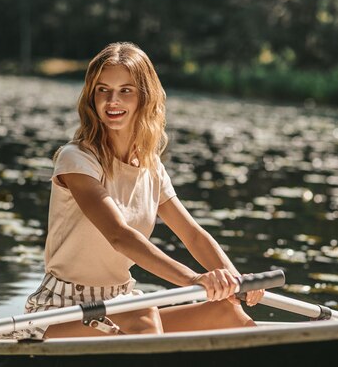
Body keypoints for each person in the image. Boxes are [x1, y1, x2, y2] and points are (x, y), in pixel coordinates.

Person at [25, 42, 263, 338]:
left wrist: (234, 281)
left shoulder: (150, 167)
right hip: (64, 308)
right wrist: (194, 279)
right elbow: (119, 235)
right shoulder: (77, 159)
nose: (113, 101)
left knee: (226, 311)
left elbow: (192, 234)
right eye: (103, 90)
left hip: (120, 303)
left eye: (126, 90)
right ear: (91, 96)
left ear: (144, 97)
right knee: (142, 316)